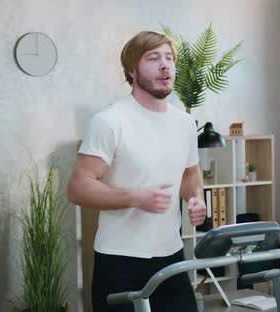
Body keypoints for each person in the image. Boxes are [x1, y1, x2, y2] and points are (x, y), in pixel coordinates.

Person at [67, 31, 206, 312]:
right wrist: (133, 197)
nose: (165, 65)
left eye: (169, 58)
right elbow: (78, 187)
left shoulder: (185, 124)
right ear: (131, 70)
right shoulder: (109, 121)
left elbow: (190, 173)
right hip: (120, 262)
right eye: (153, 58)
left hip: (172, 256)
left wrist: (196, 199)